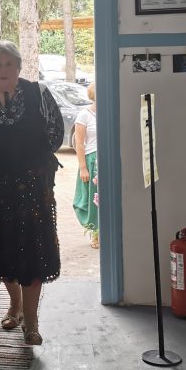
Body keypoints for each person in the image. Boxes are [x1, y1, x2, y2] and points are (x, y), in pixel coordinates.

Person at [0, 41, 63, 346]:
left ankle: (31, 321)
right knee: (3, 249)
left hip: (33, 188)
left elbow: (55, 133)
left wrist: (34, 162)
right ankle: (15, 305)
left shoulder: (38, 93)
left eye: (9, 64)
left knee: (33, 251)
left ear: (19, 67)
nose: (3, 69)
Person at [72, 82, 99, 249]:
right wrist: (83, 167)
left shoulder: (109, 111)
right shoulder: (84, 115)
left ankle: (107, 231)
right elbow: (79, 143)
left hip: (106, 161)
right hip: (91, 161)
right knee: (94, 200)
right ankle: (95, 233)